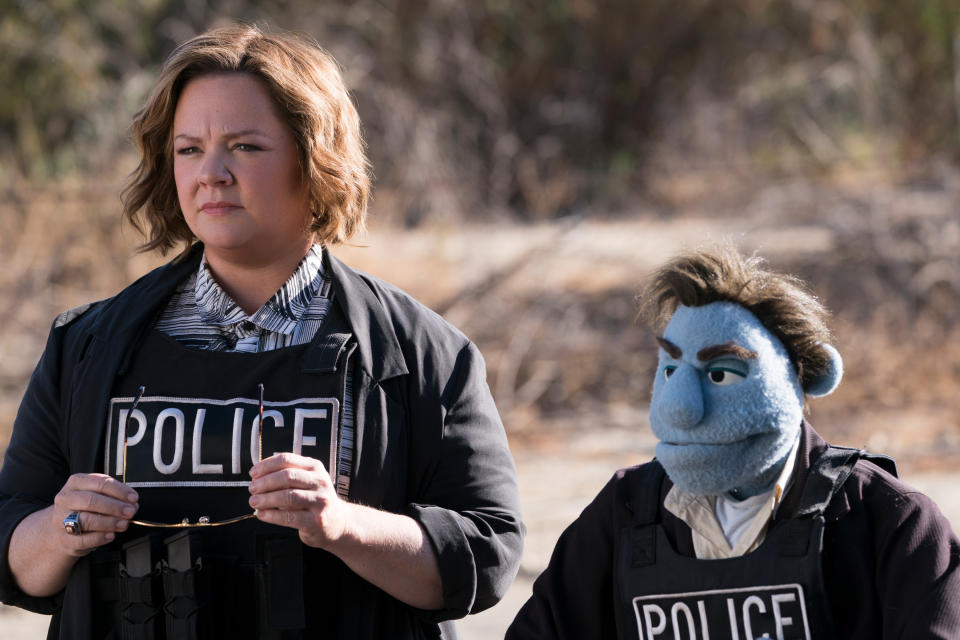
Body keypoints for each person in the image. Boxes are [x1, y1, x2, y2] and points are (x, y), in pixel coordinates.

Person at [0, 24, 523, 639]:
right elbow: (16, 550)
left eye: (245, 146)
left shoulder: (421, 352)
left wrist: (342, 525)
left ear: (315, 160)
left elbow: (485, 556)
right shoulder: (85, 345)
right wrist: (64, 527)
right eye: (188, 149)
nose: (211, 173)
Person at [506, 245, 960, 639]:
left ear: (801, 378)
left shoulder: (887, 520)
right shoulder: (625, 514)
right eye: (670, 370)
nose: (680, 407)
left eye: (721, 373)